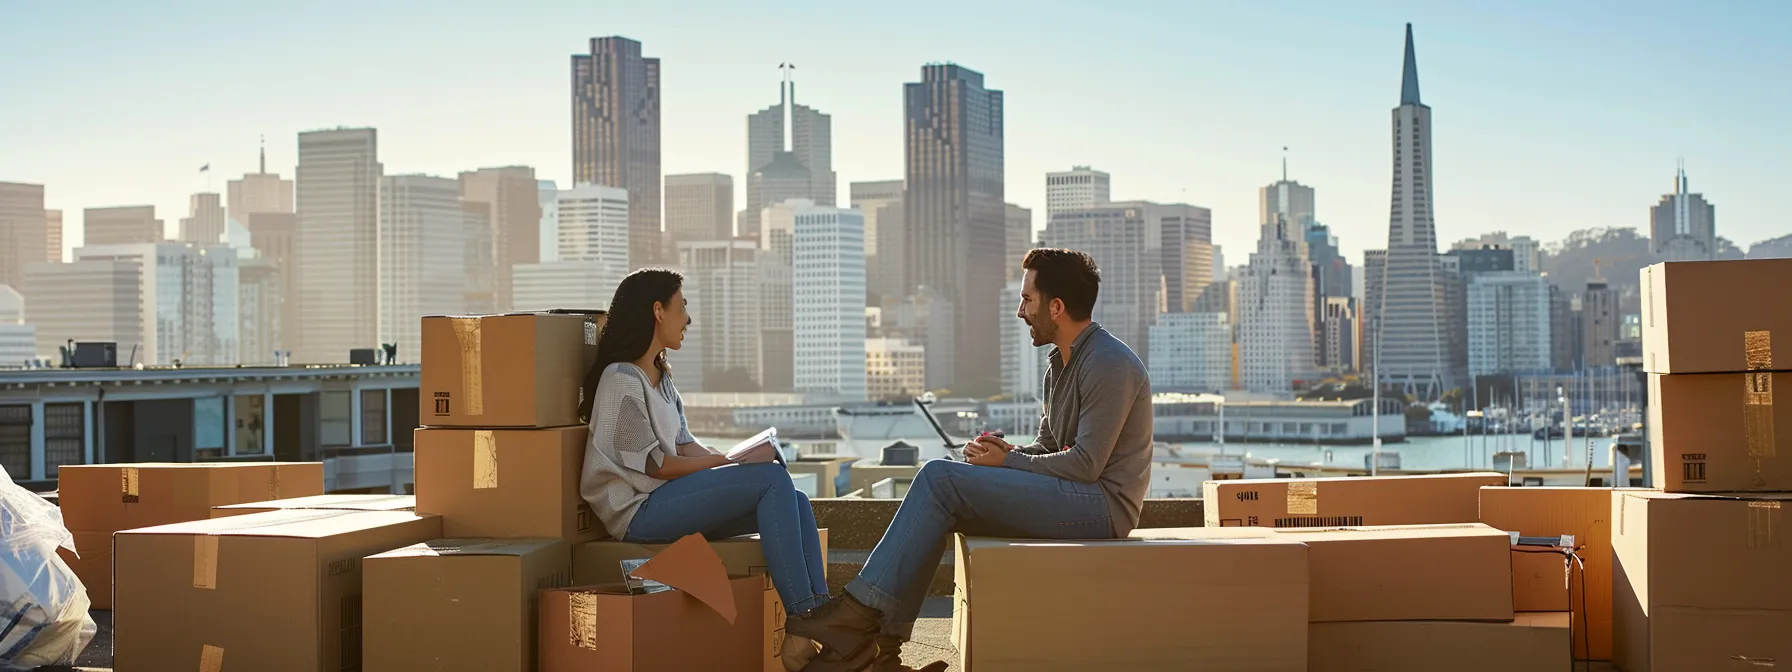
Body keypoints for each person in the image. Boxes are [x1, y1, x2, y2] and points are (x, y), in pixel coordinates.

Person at [789, 248, 1155, 672]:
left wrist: (1008, 464)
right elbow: (1048, 447)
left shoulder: (1109, 362)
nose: (1020, 311)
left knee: (939, 479)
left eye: (1027, 300)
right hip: (1073, 495)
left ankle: (855, 617)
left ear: (1056, 307)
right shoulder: (1059, 364)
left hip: (1103, 507)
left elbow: (1086, 465)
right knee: (945, 489)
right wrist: (1002, 454)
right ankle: (880, 651)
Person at [579, 268, 829, 671]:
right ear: (658, 311)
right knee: (772, 481)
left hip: (667, 500)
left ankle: (823, 619)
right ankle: (801, 625)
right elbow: (656, 465)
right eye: (683, 306)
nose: (688, 319)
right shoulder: (621, 378)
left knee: (794, 498)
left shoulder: (662, 378)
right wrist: (723, 464)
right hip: (638, 512)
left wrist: (734, 456)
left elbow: (683, 445)